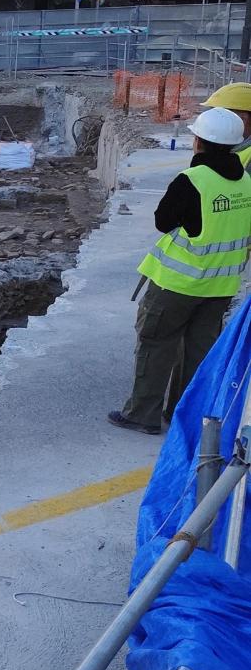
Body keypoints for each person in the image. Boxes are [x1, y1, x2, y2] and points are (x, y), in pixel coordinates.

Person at [110, 107, 251, 435]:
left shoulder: (193, 180)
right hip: (219, 287)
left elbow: (163, 221)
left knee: (156, 344)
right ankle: (183, 415)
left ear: (199, 141)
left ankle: (141, 414)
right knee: (198, 352)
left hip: (177, 283)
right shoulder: (246, 183)